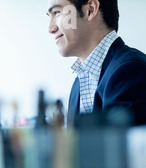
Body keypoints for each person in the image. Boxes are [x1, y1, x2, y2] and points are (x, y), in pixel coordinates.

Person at [47, 0, 146, 128]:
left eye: (57, 12)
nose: (50, 28)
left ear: (90, 9)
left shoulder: (130, 71)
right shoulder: (78, 84)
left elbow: (119, 146)